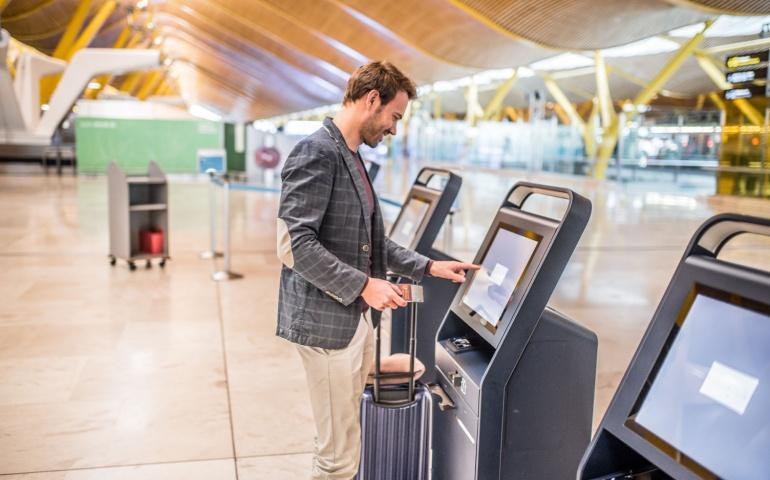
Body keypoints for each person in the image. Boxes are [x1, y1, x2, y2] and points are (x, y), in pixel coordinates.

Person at [275, 61, 478, 479]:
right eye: (394, 116)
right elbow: (293, 245)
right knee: (337, 457)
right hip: (326, 326)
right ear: (372, 100)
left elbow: (371, 242)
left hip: (351, 321)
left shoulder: (350, 156)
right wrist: (364, 285)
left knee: (344, 437)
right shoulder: (317, 152)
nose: (394, 129)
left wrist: (431, 266)